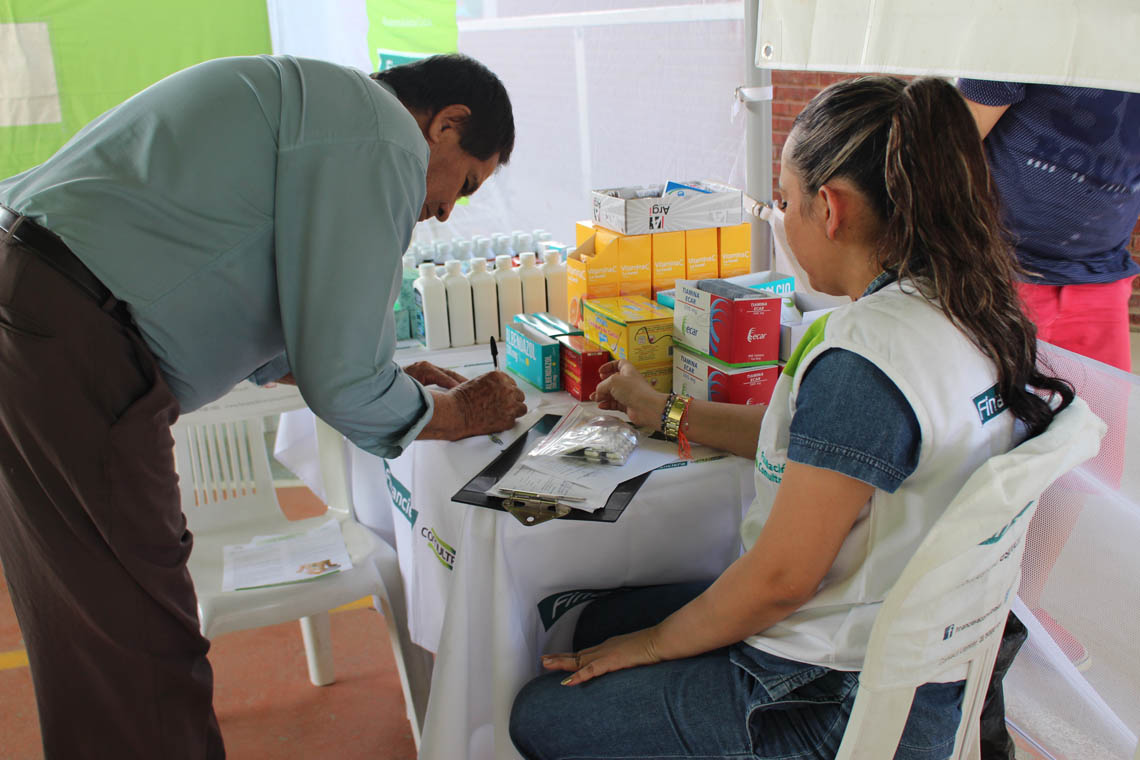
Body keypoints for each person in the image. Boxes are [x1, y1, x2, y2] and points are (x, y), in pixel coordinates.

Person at [510, 76, 1075, 760]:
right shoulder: (974, 312)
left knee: (542, 711)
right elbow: (827, 449)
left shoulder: (867, 358)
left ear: (830, 208)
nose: (780, 219)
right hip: (921, 660)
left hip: (830, 697)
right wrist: (668, 412)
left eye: (783, 201)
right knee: (597, 618)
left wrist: (650, 648)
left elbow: (782, 580)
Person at [0, 53, 526, 758]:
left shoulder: (316, 106)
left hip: (37, 313)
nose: (443, 212)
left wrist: (387, 376)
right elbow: (340, 381)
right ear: (445, 125)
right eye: (464, 184)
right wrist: (462, 414)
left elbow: (298, 336)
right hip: (76, 342)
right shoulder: (378, 134)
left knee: (89, 640)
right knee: (140, 645)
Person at [958, 79, 1139, 675]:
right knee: (980, 446)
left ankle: (1023, 608)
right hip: (997, 273)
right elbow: (952, 142)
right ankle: (958, 609)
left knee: (1085, 460)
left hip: (1099, 280)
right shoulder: (1037, 22)